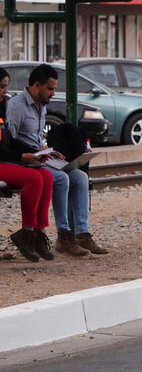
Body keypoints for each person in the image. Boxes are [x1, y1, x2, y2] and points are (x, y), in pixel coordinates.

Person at [4, 64, 105, 258]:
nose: (52, 93)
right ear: (36, 86)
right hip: (28, 161)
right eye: (50, 89)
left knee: (80, 178)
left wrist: (48, 151)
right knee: (61, 179)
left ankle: (82, 233)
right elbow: (11, 141)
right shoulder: (17, 106)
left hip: (41, 158)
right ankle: (64, 236)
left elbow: (36, 137)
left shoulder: (41, 106)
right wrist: (36, 152)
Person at [0, 71, 55, 262]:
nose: (5, 91)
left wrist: (37, 153)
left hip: (6, 160)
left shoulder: (2, 107)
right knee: (33, 178)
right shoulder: (12, 106)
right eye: (1, 86)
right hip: (2, 162)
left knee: (47, 177)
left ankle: (38, 233)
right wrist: (22, 156)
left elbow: (9, 141)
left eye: (6, 86)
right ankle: (27, 232)